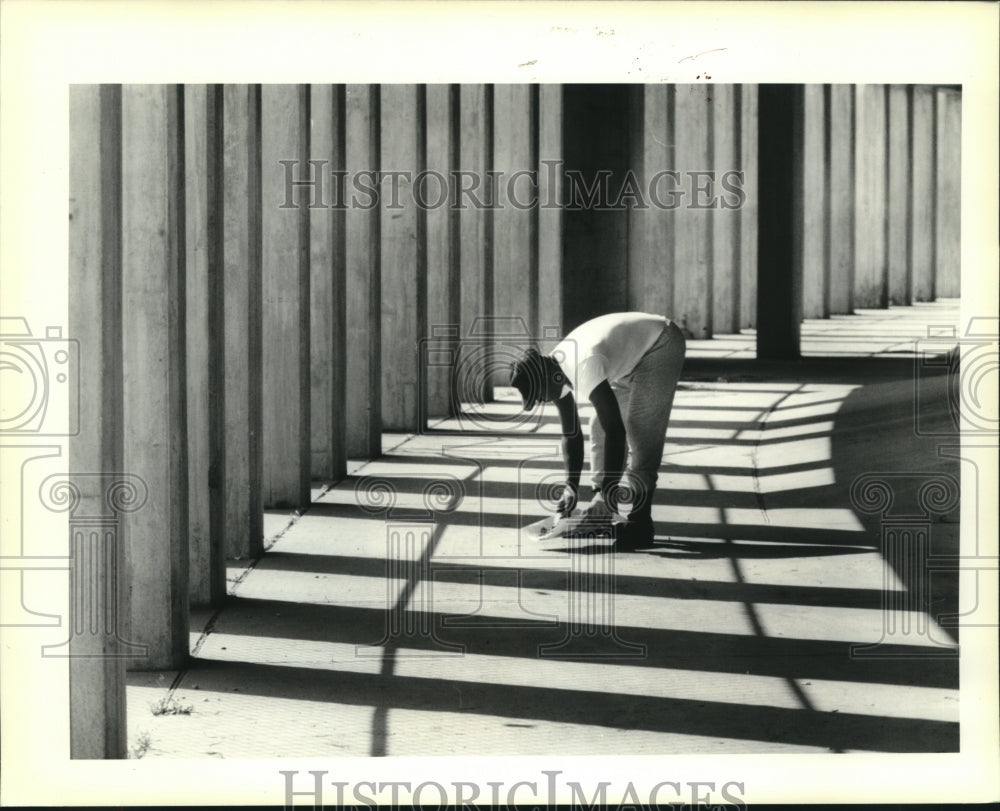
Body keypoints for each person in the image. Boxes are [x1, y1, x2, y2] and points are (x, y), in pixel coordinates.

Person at [509, 312, 686, 549]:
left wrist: (606, 492)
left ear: (545, 379)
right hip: (630, 357)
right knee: (597, 425)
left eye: (538, 397)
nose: (541, 402)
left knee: (639, 426)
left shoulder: (583, 365)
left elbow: (616, 430)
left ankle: (640, 522)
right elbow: (570, 434)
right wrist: (570, 488)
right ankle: (602, 515)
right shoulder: (554, 371)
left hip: (660, 343)